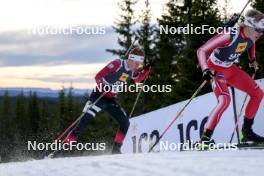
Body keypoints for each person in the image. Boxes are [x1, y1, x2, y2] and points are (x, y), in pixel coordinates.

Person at [64, 47, 150, 154]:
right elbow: (98, 76)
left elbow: (137, 80)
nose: (138, 66)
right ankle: (64, 148)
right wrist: (104, 85)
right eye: (137, 63)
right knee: (84, 121)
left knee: (125, 123)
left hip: (111, 100)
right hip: (99, 96)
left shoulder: (132, 70)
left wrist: (146, 71)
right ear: (131, 59)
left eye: (140, 64)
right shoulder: (117, 64)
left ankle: (116, 150)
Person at [197, 9, 264, 146]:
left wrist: (252, 59)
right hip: (215, 69)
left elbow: (251, 44)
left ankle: (247, 133)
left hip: (230, 69)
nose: (260, 34)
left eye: (263, 30)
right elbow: (202, 50)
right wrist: (205, 69)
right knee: (224, 100)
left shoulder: (252, 36)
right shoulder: (230, 35)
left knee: (257, 93)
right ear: (249, 26)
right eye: (258, 30)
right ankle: (205, 139)